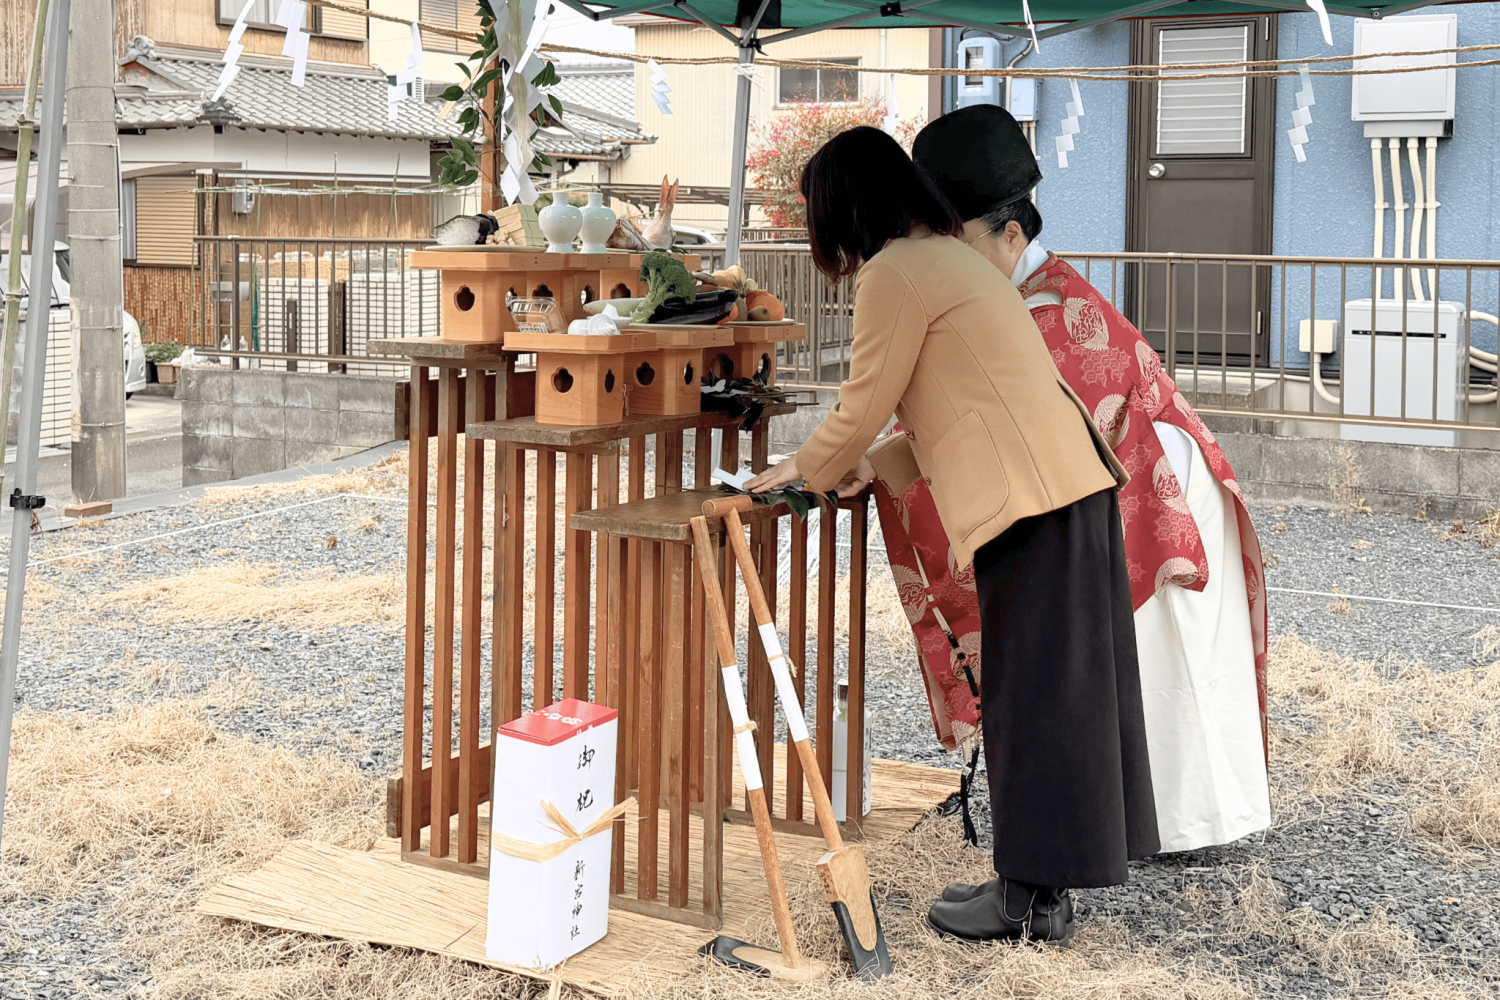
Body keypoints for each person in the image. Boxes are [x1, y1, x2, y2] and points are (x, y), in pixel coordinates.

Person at [745, 125, 1158, 946]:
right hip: (1065, 493)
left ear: (847, 206)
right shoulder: (951, 259)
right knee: (1058, 701)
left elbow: (865, 401)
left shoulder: (895, 272)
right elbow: (963, 403)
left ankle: (1021, 900)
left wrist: (807, 468)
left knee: (1029, 704)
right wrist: (870, 466)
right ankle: (1041, 894)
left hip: (1033, 506)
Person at [906, 104, 1271, 857]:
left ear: (1011, 233)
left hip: (1156, 490)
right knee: (1142, 666)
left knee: (1165, 662)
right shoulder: (1019, 297)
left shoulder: (1046, 310)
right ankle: (1151, 823)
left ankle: (1181, 824)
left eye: (959, 243)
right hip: (1128, 483)